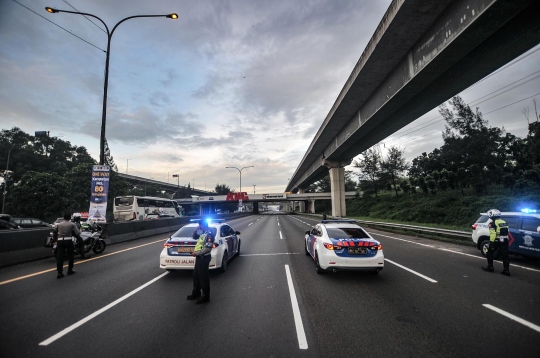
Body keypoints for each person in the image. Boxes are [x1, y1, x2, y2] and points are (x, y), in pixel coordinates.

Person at [187, 220, 215, 304]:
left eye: (200, 225)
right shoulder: (203, 233)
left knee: (203, 278)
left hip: (204, 258)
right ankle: (196, 293)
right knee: (196, 276)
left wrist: (196, 253)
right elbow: (194, 237)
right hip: (199, 258)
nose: (199, 226)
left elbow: (208, 248)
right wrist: (195, 230)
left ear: (203, 225)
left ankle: (206, 297)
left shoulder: (209, 234)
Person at [482, 209, 510, 276]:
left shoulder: (493, 223)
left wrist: (491, 243)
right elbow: (508, 231)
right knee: (505, 255)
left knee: (489, 252)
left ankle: (490, 267)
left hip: (496, 241)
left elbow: (493, 234)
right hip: (504, 240)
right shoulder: (504, 222)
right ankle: (506, 270)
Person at [53, 213, 80, 279]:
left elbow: (54, 232)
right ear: (70, 218)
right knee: (71, 255)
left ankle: (59, 272)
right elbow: (77, 233)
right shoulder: (72, 224)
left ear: (63, 218)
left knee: (60, 257)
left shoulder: (58, 224)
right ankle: (69, 270)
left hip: (60, 241)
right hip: (68, 240)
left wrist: (55, 239)